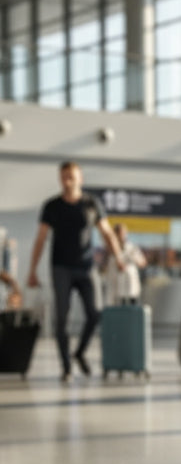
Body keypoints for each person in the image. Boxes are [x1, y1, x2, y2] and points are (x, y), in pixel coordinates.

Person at [26, 161, 124, 381]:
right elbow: (41, 239)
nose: (67, 180)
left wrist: (118, 258)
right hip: (61, 267)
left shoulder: (91, 204)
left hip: (86, 267)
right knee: (62, 317)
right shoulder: (52, 206)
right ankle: (66, 367)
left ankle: (79, 353)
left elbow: (107, 233)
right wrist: (32, 270)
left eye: (71, 176)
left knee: (95, 313)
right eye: (63, 176)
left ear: (81, 178)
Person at [104, 223, 146, 306]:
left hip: (130, 287)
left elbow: (142, 262)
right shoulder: (109, 250)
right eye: (119, 233)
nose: (122, 236)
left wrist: (133, 260)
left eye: (123, 233)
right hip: (115, 289)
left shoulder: (132, 248)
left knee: (132, 310)